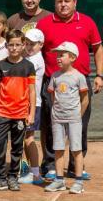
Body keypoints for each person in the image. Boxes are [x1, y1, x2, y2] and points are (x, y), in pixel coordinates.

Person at [36, 0, 103, 181]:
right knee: (50, 124)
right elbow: (35, 53)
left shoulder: (88, 22)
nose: (63, 5)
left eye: (67, 1)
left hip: (79, 83)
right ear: (55, 3)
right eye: (59, 1)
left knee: (80, 124)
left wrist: (100, 75)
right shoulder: (44, 24)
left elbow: (98, 49)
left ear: (75, 2)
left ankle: (76, 166)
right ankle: (49, 165)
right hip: (52, 83)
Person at [0, 30, 36, 192]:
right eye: (11, 45)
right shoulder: (1, 65)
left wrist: (31, 113)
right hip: (2, 113)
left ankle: (13, 176)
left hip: (20, 114)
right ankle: (0, 178)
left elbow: (32, 91)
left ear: (23, 46)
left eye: (17, 45)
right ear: (6, 46)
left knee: (17, 146)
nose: (14, 48)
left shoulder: (29, 66)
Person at [43, 42, 88, 194]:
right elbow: (52, 95)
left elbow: (85, 99)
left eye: (62, 55)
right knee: (58, 149)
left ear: (73, 57)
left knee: (76, 149)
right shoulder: (54, 76)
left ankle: (78, 182)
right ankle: (59, 180)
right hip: (57, 119)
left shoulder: (79, 76)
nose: (58, 58)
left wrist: (78, 115)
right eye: (57, 55)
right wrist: (56, 113)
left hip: (74, 119)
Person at [19, 29, 45, 185]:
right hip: (24, 103)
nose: (29, 47)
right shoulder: (29, 58)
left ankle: (35, 173)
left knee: (28, 138)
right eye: (26, 43)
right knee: (23, 138)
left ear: (41, 44)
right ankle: (29, 169)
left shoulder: (34, 61)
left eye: (33, 44)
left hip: (31, 104)